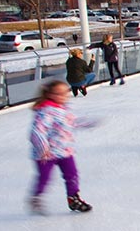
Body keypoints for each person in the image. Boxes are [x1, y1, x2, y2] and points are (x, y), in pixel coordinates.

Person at [28, 80, 94, 215]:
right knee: (44, 178)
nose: (64, 96)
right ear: (50, 94)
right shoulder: (46, 111)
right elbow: (36, 131)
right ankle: (36, 198)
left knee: (72, 175)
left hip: (64, 151)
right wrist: (43, 148)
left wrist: (86, 123)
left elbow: (71, 123)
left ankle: (73, 199)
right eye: (59, 93)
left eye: (66, 92)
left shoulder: (62, 109)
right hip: (46, 154)